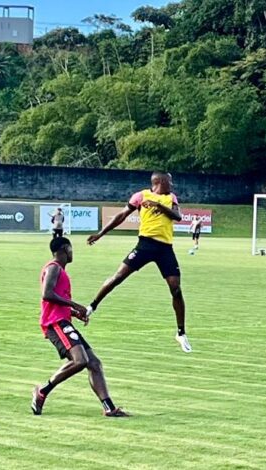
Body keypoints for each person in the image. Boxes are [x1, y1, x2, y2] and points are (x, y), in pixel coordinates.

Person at [85, 172, 191, 353]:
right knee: (118, 277)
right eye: (169, 181)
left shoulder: (171, 197)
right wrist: (101, 233)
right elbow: (121, 216)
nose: (172, 184)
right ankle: (91, 307)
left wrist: (159, 205)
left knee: (176, 288)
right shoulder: (141, 196)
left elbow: (177, 216)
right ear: (159, 181)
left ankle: (181, 333)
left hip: (165, 248)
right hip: (145, 245)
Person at [32, 237, 128, 418]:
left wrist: (73, 313)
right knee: (81, 361)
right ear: (64, 249)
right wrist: (75, 305)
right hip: (55, 323)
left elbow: (56, 300)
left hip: (63, 321)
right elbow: (47, 294)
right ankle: (43, 391)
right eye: (70, 248)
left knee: (94, 364)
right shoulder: (53, 268)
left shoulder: (60, 270)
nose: (72, 252)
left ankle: (109, 407)